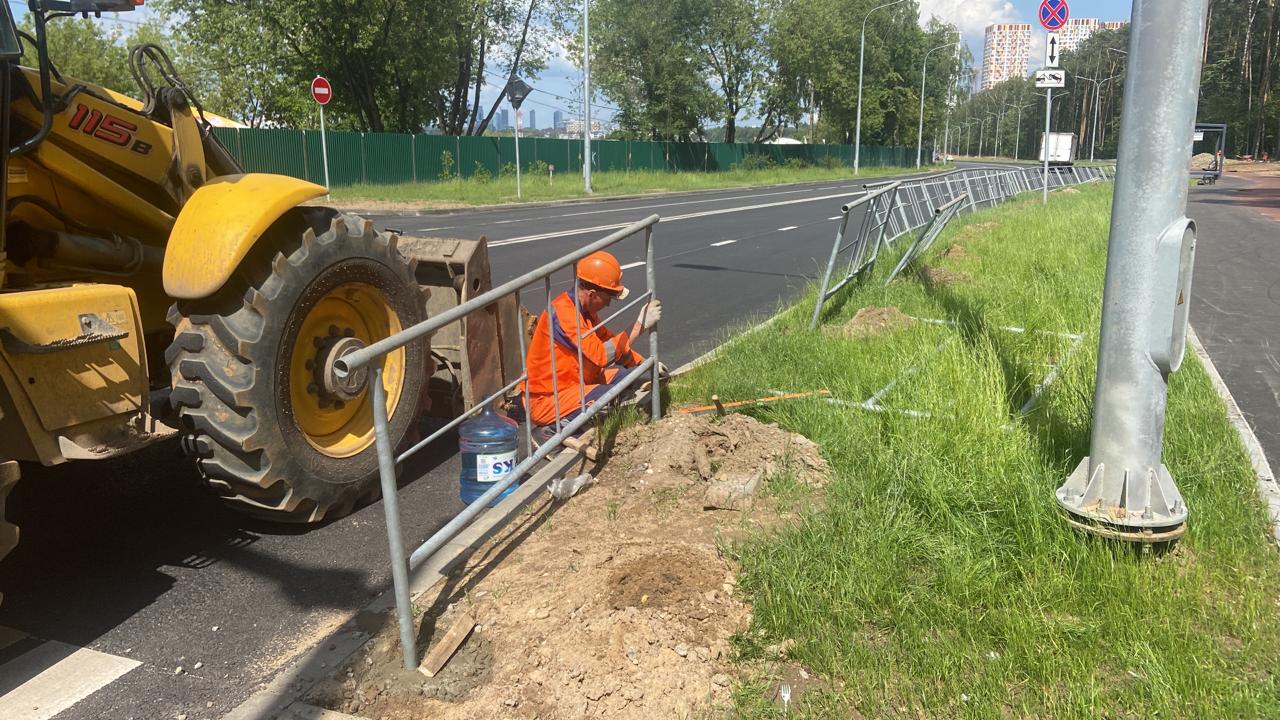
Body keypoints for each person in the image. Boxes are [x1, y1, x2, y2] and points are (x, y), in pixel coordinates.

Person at [523, 250, 661, 430]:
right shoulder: (565, 314)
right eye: (609, 297)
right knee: (608, 397)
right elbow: (602, 356)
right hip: (548, 399)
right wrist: (639, 326)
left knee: (632, 380)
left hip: (576, 384)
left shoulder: (586, 312)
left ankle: (583, 421)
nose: (610, 303)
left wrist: (644, 364)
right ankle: (553, 431)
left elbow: (611, 343)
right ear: (593, 293)